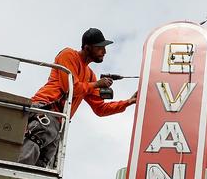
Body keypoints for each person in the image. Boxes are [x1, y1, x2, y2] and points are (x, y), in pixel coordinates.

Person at [19, 27, 137, 167]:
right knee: (32, 147)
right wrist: (96, 84)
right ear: (87, 47)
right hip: (45, 109)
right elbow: (70, 88)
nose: (104, 52)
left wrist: (128, 102)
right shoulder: (68, 55)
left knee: (43, 165)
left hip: (58, 122)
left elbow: (100, 108)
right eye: (100, 47)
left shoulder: (89, 75)